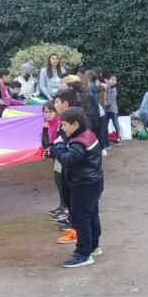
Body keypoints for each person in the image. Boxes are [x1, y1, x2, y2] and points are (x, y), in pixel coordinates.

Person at [49, 107, 104, 268]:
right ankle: (93, 246)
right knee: (91, 214)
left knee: (80, 219)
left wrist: (57, 145)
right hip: (92, 181)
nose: (63, 128)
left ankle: (83, 254)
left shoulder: (79, 141)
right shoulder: (86, 134)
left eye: (65, 125)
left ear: (75, 124)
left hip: (84, 184)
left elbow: (67, 159)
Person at [52, 89, 83, 244]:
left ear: (65, 103)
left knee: (75, 201)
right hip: (67, 167)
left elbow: (69, 151)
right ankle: (73, 226)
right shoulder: (65, 120)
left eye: (57, 102)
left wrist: (57, 147)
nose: (54, 105)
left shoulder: (76, 126)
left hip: (77, 175)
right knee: (65, 191)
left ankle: (80, 238)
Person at [104, 72, 121, 144]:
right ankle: (106, 138)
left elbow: (110, 97)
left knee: (115, 124)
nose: (113, 81)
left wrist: (107, 86)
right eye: (112, 79)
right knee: (105, 124)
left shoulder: (114, 89)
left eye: (115, 80)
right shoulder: (105, 88)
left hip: (113, 109)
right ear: (109, 80)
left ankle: (118, 138)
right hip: (106, 109)